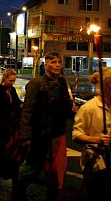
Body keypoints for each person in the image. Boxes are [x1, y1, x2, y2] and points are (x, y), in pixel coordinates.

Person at [16, 52, 71, 201]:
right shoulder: (36, 83)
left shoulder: (62, 83)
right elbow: (28, 110)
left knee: (56, 171)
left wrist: (71, 108)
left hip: (58, 134)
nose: (57, 65)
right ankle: (18, 192)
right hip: (40, 134)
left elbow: (65, 108)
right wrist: (25, 136)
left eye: (59, 62)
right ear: (45, 65)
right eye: (53, 62)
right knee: (32, 168)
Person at [72, 67, 111, 201]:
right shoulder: (89, 108)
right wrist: (97, 140)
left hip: (109, 160)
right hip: (92, 161)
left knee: (106, 195)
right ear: (105, 86)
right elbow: (76, 134)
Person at [0, 69, 23, 182]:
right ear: (5, 78)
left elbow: (16, 102)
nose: (12, 83)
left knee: (11, 148)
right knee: (2, 147)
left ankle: (9, 169)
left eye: (14, 81)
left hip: (12, 122)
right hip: (2, 122)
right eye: (10, 80)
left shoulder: (12, 89)